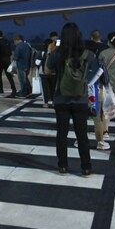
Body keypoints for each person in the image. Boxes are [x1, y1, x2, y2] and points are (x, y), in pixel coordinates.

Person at [46, 22, 97, 176]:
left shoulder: (57, 54)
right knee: (82, 135)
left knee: (62, 134)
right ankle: (86, 167)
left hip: (61, 98)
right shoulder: (89, 54)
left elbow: (47, 71)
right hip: (80, 99)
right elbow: (94, 74)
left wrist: (50, 51)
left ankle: (62, 166)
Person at [0, 30, 16, 97]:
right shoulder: (7, 41)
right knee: (9, 75)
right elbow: (10, 52)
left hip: (1, 60)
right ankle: (13, 89)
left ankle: (0, 89)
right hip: (7, 60)